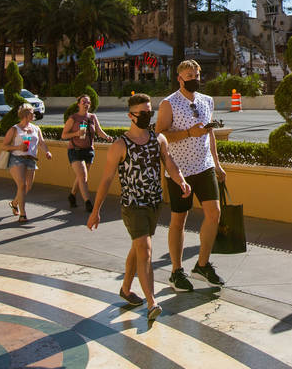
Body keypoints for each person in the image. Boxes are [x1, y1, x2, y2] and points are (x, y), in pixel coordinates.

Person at [88, 93, 191, 323]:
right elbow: (106, 179)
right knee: (145, 249)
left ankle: (125, 288)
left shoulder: (158, 139)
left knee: (138, 248)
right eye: (142, 113)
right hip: (133, 205)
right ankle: (152, 302)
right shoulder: (120, 145)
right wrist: (96, 211)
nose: (147, 116)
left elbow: (170, 163)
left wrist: (181, 180)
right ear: (131, 116)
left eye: (149, 112)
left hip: (154, 204)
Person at [156, 59, 227, 291]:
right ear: (179, 78)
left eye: (196, 74)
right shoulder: (169, 103)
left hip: (204, 166)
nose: (194, 78)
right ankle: (176, 271)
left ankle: (202, 265)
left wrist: (217, 164)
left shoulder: (207, 101)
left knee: (214, 213)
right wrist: (188, 132)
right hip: (180, 171)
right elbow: (160, 136)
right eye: (189, 75)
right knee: (179, 219)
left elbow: (210, 135)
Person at [0, 103, 52, 223]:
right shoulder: (14, 129)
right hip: (17, 159)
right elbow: (4, 146)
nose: (34, 114)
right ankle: (23, 214)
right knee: (22, 185)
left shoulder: (36, 128)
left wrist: (47, 152)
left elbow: (42, 142)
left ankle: (14, 203)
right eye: (32, 112)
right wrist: (18, 147)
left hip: (31, 159)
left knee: (28, 186)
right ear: (26, 114)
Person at [60, 94, 111, 212]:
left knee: (81, 176)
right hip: (75, 150)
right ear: (78, 104)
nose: (86, 104)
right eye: (83, 102)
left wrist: (107, 137)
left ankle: (72, 195)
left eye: (88, 102)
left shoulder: (92, 117)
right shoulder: (73, 118)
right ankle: (88, 202)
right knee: (83, 176)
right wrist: (76, 134)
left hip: (88, 150)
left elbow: (99, 131)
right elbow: (63, 135)